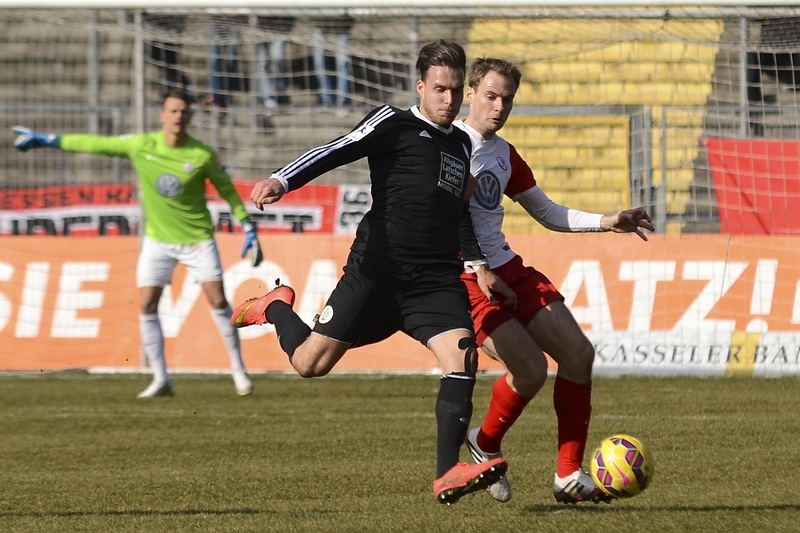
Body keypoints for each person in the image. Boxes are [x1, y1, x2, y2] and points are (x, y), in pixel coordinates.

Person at [231, 40, 517, 505]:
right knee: (310, 364)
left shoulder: (461, 143)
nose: (448, 100)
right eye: (439, 89)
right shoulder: (394, 122)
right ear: (421, 86)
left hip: (434, 279)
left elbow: (457, 209)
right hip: (377, 272)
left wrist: (477, 263)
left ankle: (448, 473)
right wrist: (283, 179)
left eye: (455, 91)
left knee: (462, 355)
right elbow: (337, 149)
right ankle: (274, 307)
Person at [452, 58, 654, 504]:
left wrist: (608, 220)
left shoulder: (504, 154)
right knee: (531, 370)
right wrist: (475, 264)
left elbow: (545, 211)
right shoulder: (445, 146)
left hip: (506, 266)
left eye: (507, 98)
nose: (499, 106)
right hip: (463, 275)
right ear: (470, 93)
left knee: (578, 354)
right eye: (490, 95)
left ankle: (568, 475)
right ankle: (484, 442)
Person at [12, 90, 264, 399]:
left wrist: (247, 224)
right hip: (158, 241)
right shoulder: (142, 145)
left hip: (197, 240)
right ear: (162, 115)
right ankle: (161, 379)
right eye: (173, 111)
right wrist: (50, 140)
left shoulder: (202, 154)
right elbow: (97, 145)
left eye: (184, 112)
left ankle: (239, 370)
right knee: (146, 304)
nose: (178, 116)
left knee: (218, 302)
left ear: (190, 117)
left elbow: (226, 190)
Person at [310, 16, 354, 106]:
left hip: (342, 24)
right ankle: (326, 99)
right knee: (320, 63)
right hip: (320, 23)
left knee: (343, 63)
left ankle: (343, 100)